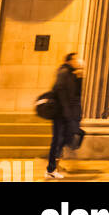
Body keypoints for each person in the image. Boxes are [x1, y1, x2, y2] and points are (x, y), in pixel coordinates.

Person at [45, 52, 83, 180]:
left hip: (66, 113)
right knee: (58, 141)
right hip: (61, 114)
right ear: (69, 61)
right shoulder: (63, 72)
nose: (78, 61)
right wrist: (66, 111)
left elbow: (76, 93)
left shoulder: (71, 74)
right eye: (76, 59)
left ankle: (54, 166)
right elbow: (59, 90)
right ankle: (51, 169)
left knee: (63, 140)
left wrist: (79, 78)